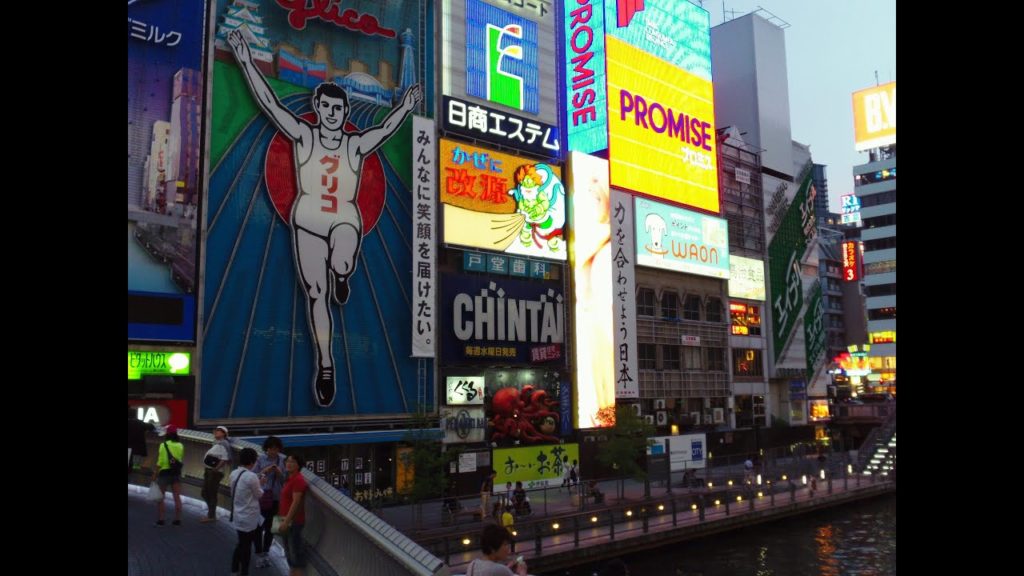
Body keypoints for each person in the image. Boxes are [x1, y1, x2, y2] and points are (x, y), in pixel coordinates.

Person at [228, 29, 423, 408]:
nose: (332, 114)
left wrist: (405, 107)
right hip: (307, 222)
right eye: (327, 107)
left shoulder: (355, 144)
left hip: (345, 219)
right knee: (316, 295)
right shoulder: (303, 135)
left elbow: (385, 129)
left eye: (338, 109)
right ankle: (326, 364)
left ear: (345, 113)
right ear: (318, 108)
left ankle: (343, 276)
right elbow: (269, 103)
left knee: (343, 260)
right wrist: (246, 60)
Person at [230, 448, 264, 576]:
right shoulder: (252, 476)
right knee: (246, 546)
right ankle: (244, 572)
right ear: (252, 461)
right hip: (249, 517)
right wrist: (261, 484)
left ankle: (234, 569)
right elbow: (259, 494)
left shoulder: (234, 473)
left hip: (238, 514)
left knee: (242, 543)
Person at [254, 436, 286, 567]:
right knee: (258, 527)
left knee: (272, 528)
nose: (273, 452)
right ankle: (258, 553)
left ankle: (266, 552)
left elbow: (285, 481)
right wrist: (264, 471)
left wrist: (279, 473)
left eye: (276, 449)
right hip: (262, 498)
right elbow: (253, 477)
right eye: (271, 449)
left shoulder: (283, 460)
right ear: (266, 449)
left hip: (276, 498)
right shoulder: (260, 459)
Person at [279, 454, 309, 576]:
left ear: (298, 465)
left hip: (293, 521)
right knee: (288, 552)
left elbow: (296, 502)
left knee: (295, 553)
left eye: (293, 462)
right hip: (284, 519)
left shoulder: (298, 480)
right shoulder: (289, 478)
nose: (289, 464)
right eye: (287, 461)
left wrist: (286, 521)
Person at [153, 425, 184, 526]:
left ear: (167, 433)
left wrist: (155, 473)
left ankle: (161, 519)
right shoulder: (180, 445)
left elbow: (160, 461)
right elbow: (179, 459)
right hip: (176, 473)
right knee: (177, 497)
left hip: (164, 473)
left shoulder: (163, 445)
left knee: (161, 497)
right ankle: (177, 519)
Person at [201, 425, 233, 523]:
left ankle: (211, 515)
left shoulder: (224, 443)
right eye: (216, 430)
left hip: (214, 472)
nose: (216, 432)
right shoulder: (217, 443)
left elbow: (225, 458)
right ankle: (211, 513)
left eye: (219, 431)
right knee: (206, 492)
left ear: (224, 434)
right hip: (210, 471)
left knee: (211, 493)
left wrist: (216, 469)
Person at [127, 406, 156, 475]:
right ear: (135, 415)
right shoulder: (140, 423)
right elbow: (152, 427)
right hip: (137, 448)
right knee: (135, 467)